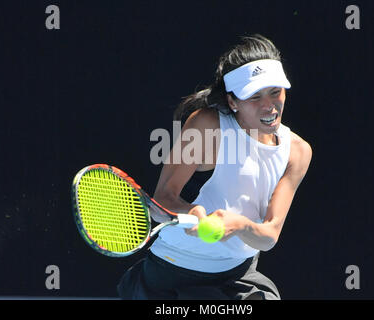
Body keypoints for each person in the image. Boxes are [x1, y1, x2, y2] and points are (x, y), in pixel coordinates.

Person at [117, 34, 312, 300]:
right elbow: (161, 202)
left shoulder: (298, 151)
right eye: (254, 96)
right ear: (233, 102)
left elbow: (269, 236)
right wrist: (189, 211)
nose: (269, 105)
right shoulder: (208, 125)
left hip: (236, 278)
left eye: (275, 91)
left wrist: (239, 225)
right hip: (171, 273)